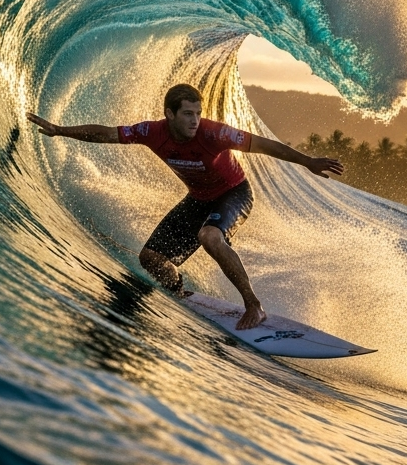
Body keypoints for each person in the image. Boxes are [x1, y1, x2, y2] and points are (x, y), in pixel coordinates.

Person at [27, 83, 344, 330]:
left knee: (209, 236)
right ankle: (177, 289)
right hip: (199, 198)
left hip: (235, 194)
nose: (195, 120)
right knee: (150, 259)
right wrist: (59, 130)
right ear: (170, 114)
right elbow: (107, 134)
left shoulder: (213, 133)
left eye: (197, 113)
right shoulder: (151, 132)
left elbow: (263, 145)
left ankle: (253, 305)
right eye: (187, 114)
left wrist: (307, 161)